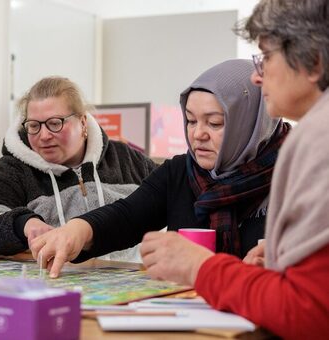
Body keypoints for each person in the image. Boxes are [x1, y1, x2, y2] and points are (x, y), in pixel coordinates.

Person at [139, 1, 329, 338]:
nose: (258, 75)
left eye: (266, 57)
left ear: (312, 63)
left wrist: (200, 267)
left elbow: (308, 312)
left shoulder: (318, 139)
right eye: (191, 120)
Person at [30, 59, 291, 277]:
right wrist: (78, 230)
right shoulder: (181, 172)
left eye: (214, 123)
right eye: (190, 120)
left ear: (249, 124)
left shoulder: (296, 175)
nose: (197, 134)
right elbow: (127, 217)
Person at [0, 76, 157, 258]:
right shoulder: (13, 170)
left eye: (55, 123)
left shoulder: (127, 159)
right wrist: (22, 224)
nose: (44, 135)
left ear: (82, 122)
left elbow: (176, 196)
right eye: (34, 126)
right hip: (54, 284)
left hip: (132, 284)